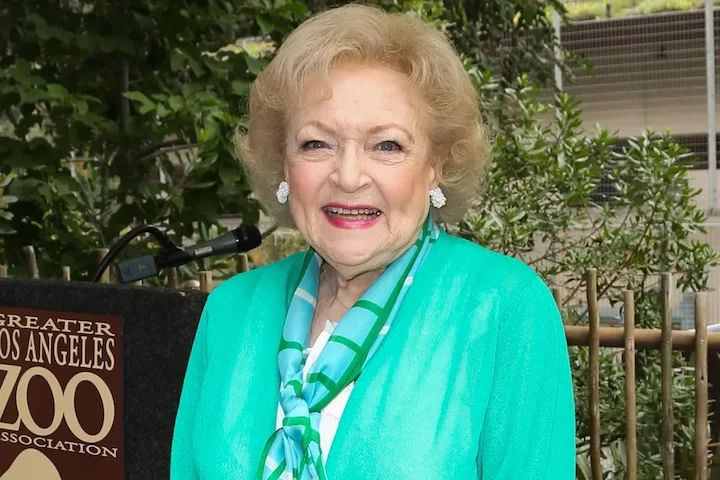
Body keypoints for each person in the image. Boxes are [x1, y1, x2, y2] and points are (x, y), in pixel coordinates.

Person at [170, 4, 575, 479]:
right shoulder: (231, 309)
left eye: (387, 146)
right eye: (316, 143)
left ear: (436, 165)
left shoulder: (505, 306)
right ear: (283, 163)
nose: (348, 176)